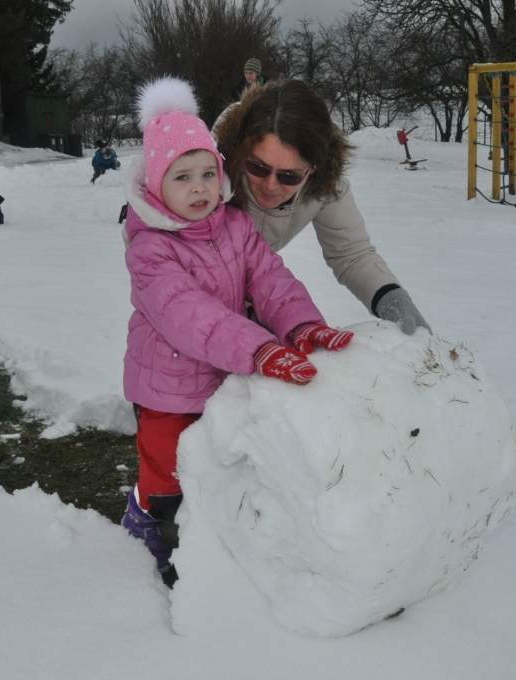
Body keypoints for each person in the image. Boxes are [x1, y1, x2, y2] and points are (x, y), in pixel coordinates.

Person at [120, 77, 355, 587]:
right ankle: (150, 524)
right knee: (167, 473)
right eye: (182, 177)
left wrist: (303, 326)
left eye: (208, 173)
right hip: (167, 387)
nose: (200, 187)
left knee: (216, 463)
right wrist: (260, 348)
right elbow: (187, 314)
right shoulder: (150, 246)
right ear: (156, 184)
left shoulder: (232, 224)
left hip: (221, 372)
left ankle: (212, 531)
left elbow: (270, 279)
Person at [213, 79, 430, 335]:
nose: (271, 185)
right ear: (240, 152)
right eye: (258, 167)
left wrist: (398, 306)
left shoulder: (325, 184)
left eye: (289, 176)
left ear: (313, 170)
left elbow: (352, 254)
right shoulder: (208, 169)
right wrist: (246, 313)